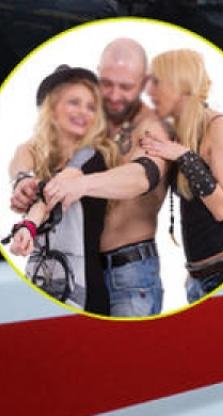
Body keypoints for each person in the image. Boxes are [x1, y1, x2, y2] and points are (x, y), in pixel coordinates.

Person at [23, 39, 172, 318]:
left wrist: (79, 183)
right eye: (107, 83)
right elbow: (29, 150)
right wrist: (22, 180)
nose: (114, 94)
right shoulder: (87, 133)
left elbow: (142, 177)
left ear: (142, 83)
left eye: (126, 86)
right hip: (78, 270)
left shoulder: (149, 127)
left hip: (129, 272)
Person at [140, 48, 223, 303]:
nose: (148, 91)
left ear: (179, 84)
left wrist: (185, 157)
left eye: (156, 82)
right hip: (199, 277)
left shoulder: (220, 127)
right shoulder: (181, 132)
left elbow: (222, 209)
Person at [5, 65, 117, 314]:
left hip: (82, 290)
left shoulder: (91, 156)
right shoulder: (43, 159)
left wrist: (28, 226)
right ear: (52, 108)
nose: (84, 112)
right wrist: (22, 179)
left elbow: (51, 194)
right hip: (43, 280)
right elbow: (23, 155)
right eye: (74, 102)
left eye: (91, 107)